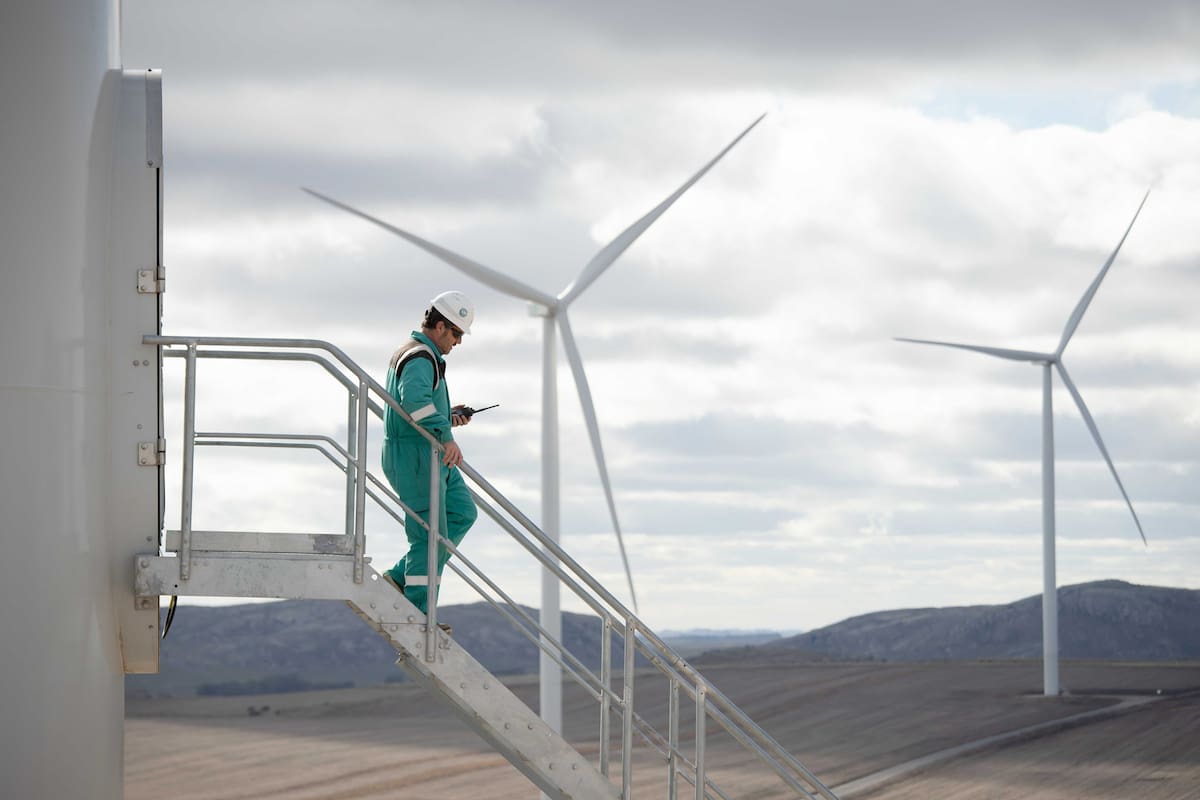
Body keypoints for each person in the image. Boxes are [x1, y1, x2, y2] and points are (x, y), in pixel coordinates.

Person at [381, 291, 479, 620]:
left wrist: (447, 415)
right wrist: (446, 434)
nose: (458, 342)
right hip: (416, 458)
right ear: (439, 326)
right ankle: (418, 612)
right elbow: (414, 403)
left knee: (463, 512)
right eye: (456, 333)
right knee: (428, 533)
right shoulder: (421, 356)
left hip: (427, 452)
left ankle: (399, 576)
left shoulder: (423, 356)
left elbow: (420, 408)